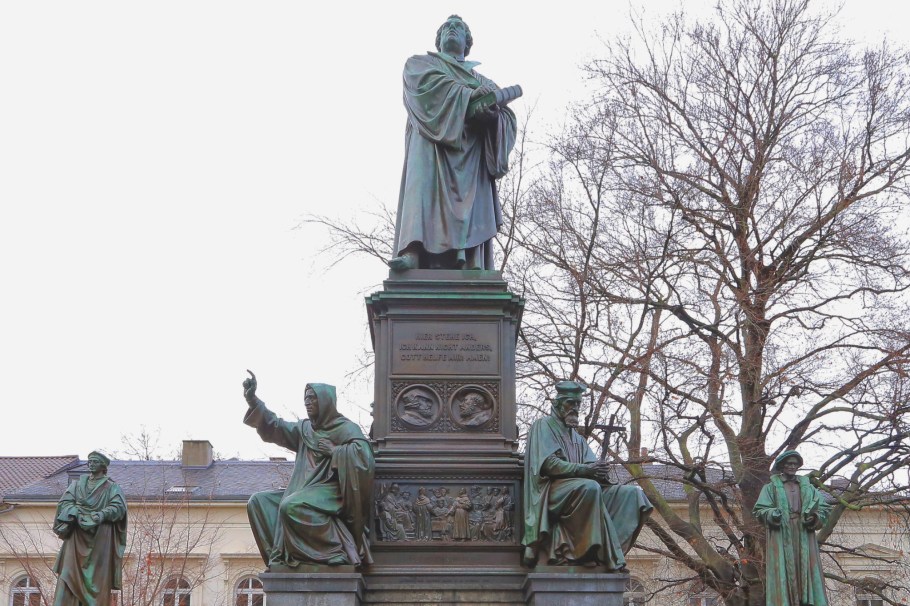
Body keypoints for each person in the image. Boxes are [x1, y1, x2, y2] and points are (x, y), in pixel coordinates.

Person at [389, 14, 518, 271]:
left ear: (467, 42)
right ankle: (413, 252)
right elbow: (423, 88)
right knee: (421, 189)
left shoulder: (484, 81)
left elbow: (506, 120)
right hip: (429, 145)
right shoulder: (419, 64)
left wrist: (493, 118)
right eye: (446, 27)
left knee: (472, 198)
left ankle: (471, 260)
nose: (451, 29)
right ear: (438, 40)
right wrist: (468, 96)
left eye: (458, 27)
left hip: (470, 156)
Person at [243, 371, 374, 568]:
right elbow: (276, 427)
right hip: (303, 491)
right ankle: (280, 560)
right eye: (305, 399)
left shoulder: (346, 428)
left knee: (291, 506)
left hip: (332, 491)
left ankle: (335, 550)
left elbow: (365, 459)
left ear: (325, 401)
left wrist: (335, 451)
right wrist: (253, 401)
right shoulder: (305, 430)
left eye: (312, 398)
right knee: (258, 502)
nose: (307, 402)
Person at [522, 381, 653, 570]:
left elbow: (590, 466)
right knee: (589, 488)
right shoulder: (543, 426)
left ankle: (607, 555)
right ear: (557, 404)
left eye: (577, 404)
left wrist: (599, 470)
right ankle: (588, 551)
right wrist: (586, 471)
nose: (575, 408)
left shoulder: (577, 439)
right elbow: (549, 465)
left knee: (633, 495)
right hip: (551, 492)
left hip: (580, 489)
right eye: (570, 403)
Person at [753, 451, 830, 606]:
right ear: (782, 465)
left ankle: (807, 599)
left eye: (795, 464)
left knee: (806, 567)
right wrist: (772, 514)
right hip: (781, 533)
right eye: (789, 463)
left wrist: (815, 517)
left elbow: (824, 508)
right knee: (783, 569)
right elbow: (759, 510)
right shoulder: (770, 488)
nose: (792, 466)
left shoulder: (808, 488)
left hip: (803, 532)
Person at [52, 450, 127, 606]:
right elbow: (64, 504)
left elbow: (119, 508)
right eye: (89, 461)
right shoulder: (77, 485)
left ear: (103, 466)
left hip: (100, 536)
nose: (91, 464)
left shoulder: (112, 488)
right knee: (67, 573)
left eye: (95, 461)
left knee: (97, 580)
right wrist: (76, 512)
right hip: (77, 534)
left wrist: (101, 515)